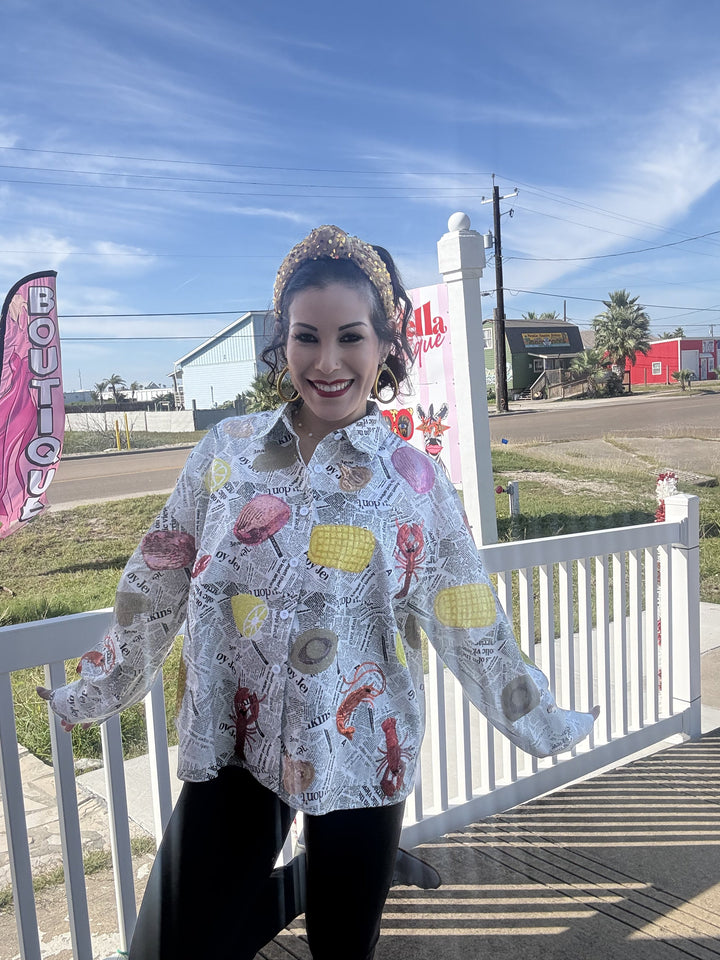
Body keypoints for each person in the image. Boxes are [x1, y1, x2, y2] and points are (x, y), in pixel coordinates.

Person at [39, 224, 599, 960]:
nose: (328, 362)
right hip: (235, 744)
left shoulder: (413, 480)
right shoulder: (227, 452)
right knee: (169, 949)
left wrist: (543, 720)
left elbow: (471, 618)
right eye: (307, 337)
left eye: (351, 338)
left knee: (343, 952)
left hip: (361, 753)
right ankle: (297, 882)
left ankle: (329, 880)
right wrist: (101, 685)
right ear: (282, 344)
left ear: (386, 347)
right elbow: (160, 573)